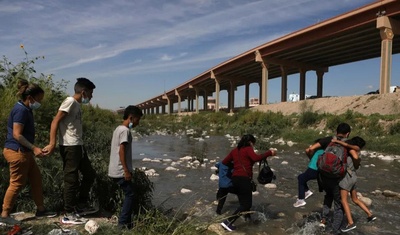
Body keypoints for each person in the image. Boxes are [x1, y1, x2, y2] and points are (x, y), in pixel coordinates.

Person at [1, 80, 56, 225]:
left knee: (36, 179)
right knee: (17, 183)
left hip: (24, 152)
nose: (40, 102)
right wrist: (34, 148)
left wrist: (33, 149)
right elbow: (17, 134)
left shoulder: (26, 109)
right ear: (30, 98)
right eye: (39, 100)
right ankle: (5, 215)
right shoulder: (21, 110)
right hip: (17, 152)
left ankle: (41, 209)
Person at [43, 77, 97, 225]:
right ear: (83, 92)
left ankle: (81, 204)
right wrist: (52, 143)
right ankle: (68, 213)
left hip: (78, 145)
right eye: (91, 93)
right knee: (71, 179)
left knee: (89, 174)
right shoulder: (70, 102)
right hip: (70, 146)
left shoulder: (78, 105)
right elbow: (55, 121)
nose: (91, 97)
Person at [220, 134, 277, 232]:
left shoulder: (234, 151)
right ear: (250, 142)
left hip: (235, 179)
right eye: (253, 144)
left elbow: (224, 162)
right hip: (244, 180)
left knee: (244, 203)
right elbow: (256, 158)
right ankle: (227, 222)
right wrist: (269, 153)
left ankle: (248, 220)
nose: (253, 146)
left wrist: (235, 166)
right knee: (246, 204)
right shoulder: (248, 148)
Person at [307, 123, 351, 234]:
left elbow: (310, 149)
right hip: (336, 177)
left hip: (323, 175)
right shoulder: (347, 144)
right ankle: (335, 230)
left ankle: (323, 221)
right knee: (338, 204)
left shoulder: (329, 140)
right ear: (348, 134)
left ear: (336, 132)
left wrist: (311, 161)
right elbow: (355, 157)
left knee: (328, 196)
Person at [108, 105, 143, 230]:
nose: (138, 122)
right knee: (130, 195)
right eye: (138, 119)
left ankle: (128, 224)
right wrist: (126, 170)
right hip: (120, 171)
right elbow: (121, 151)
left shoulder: (118, 129)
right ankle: (122, 224)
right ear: (131, 117)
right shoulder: (125, 131)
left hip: (114, 169)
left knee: (129, 194)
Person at [332, 136, 377, 233]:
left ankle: (350, 223)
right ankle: (370, 215)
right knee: (355, 199)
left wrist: (336, 141)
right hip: (353, 176)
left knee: (343, 200)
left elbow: (355, 157)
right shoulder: (356, 149)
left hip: (347, 176)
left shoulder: (352, 150)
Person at [293, 138, 324, 207]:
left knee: (301, 178)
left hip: (313, 169)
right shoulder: (324, 151)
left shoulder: (318, 150)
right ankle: (307, 191)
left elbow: (308, 150)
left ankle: (301, 199)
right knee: (300, 177)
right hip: (317, 170)